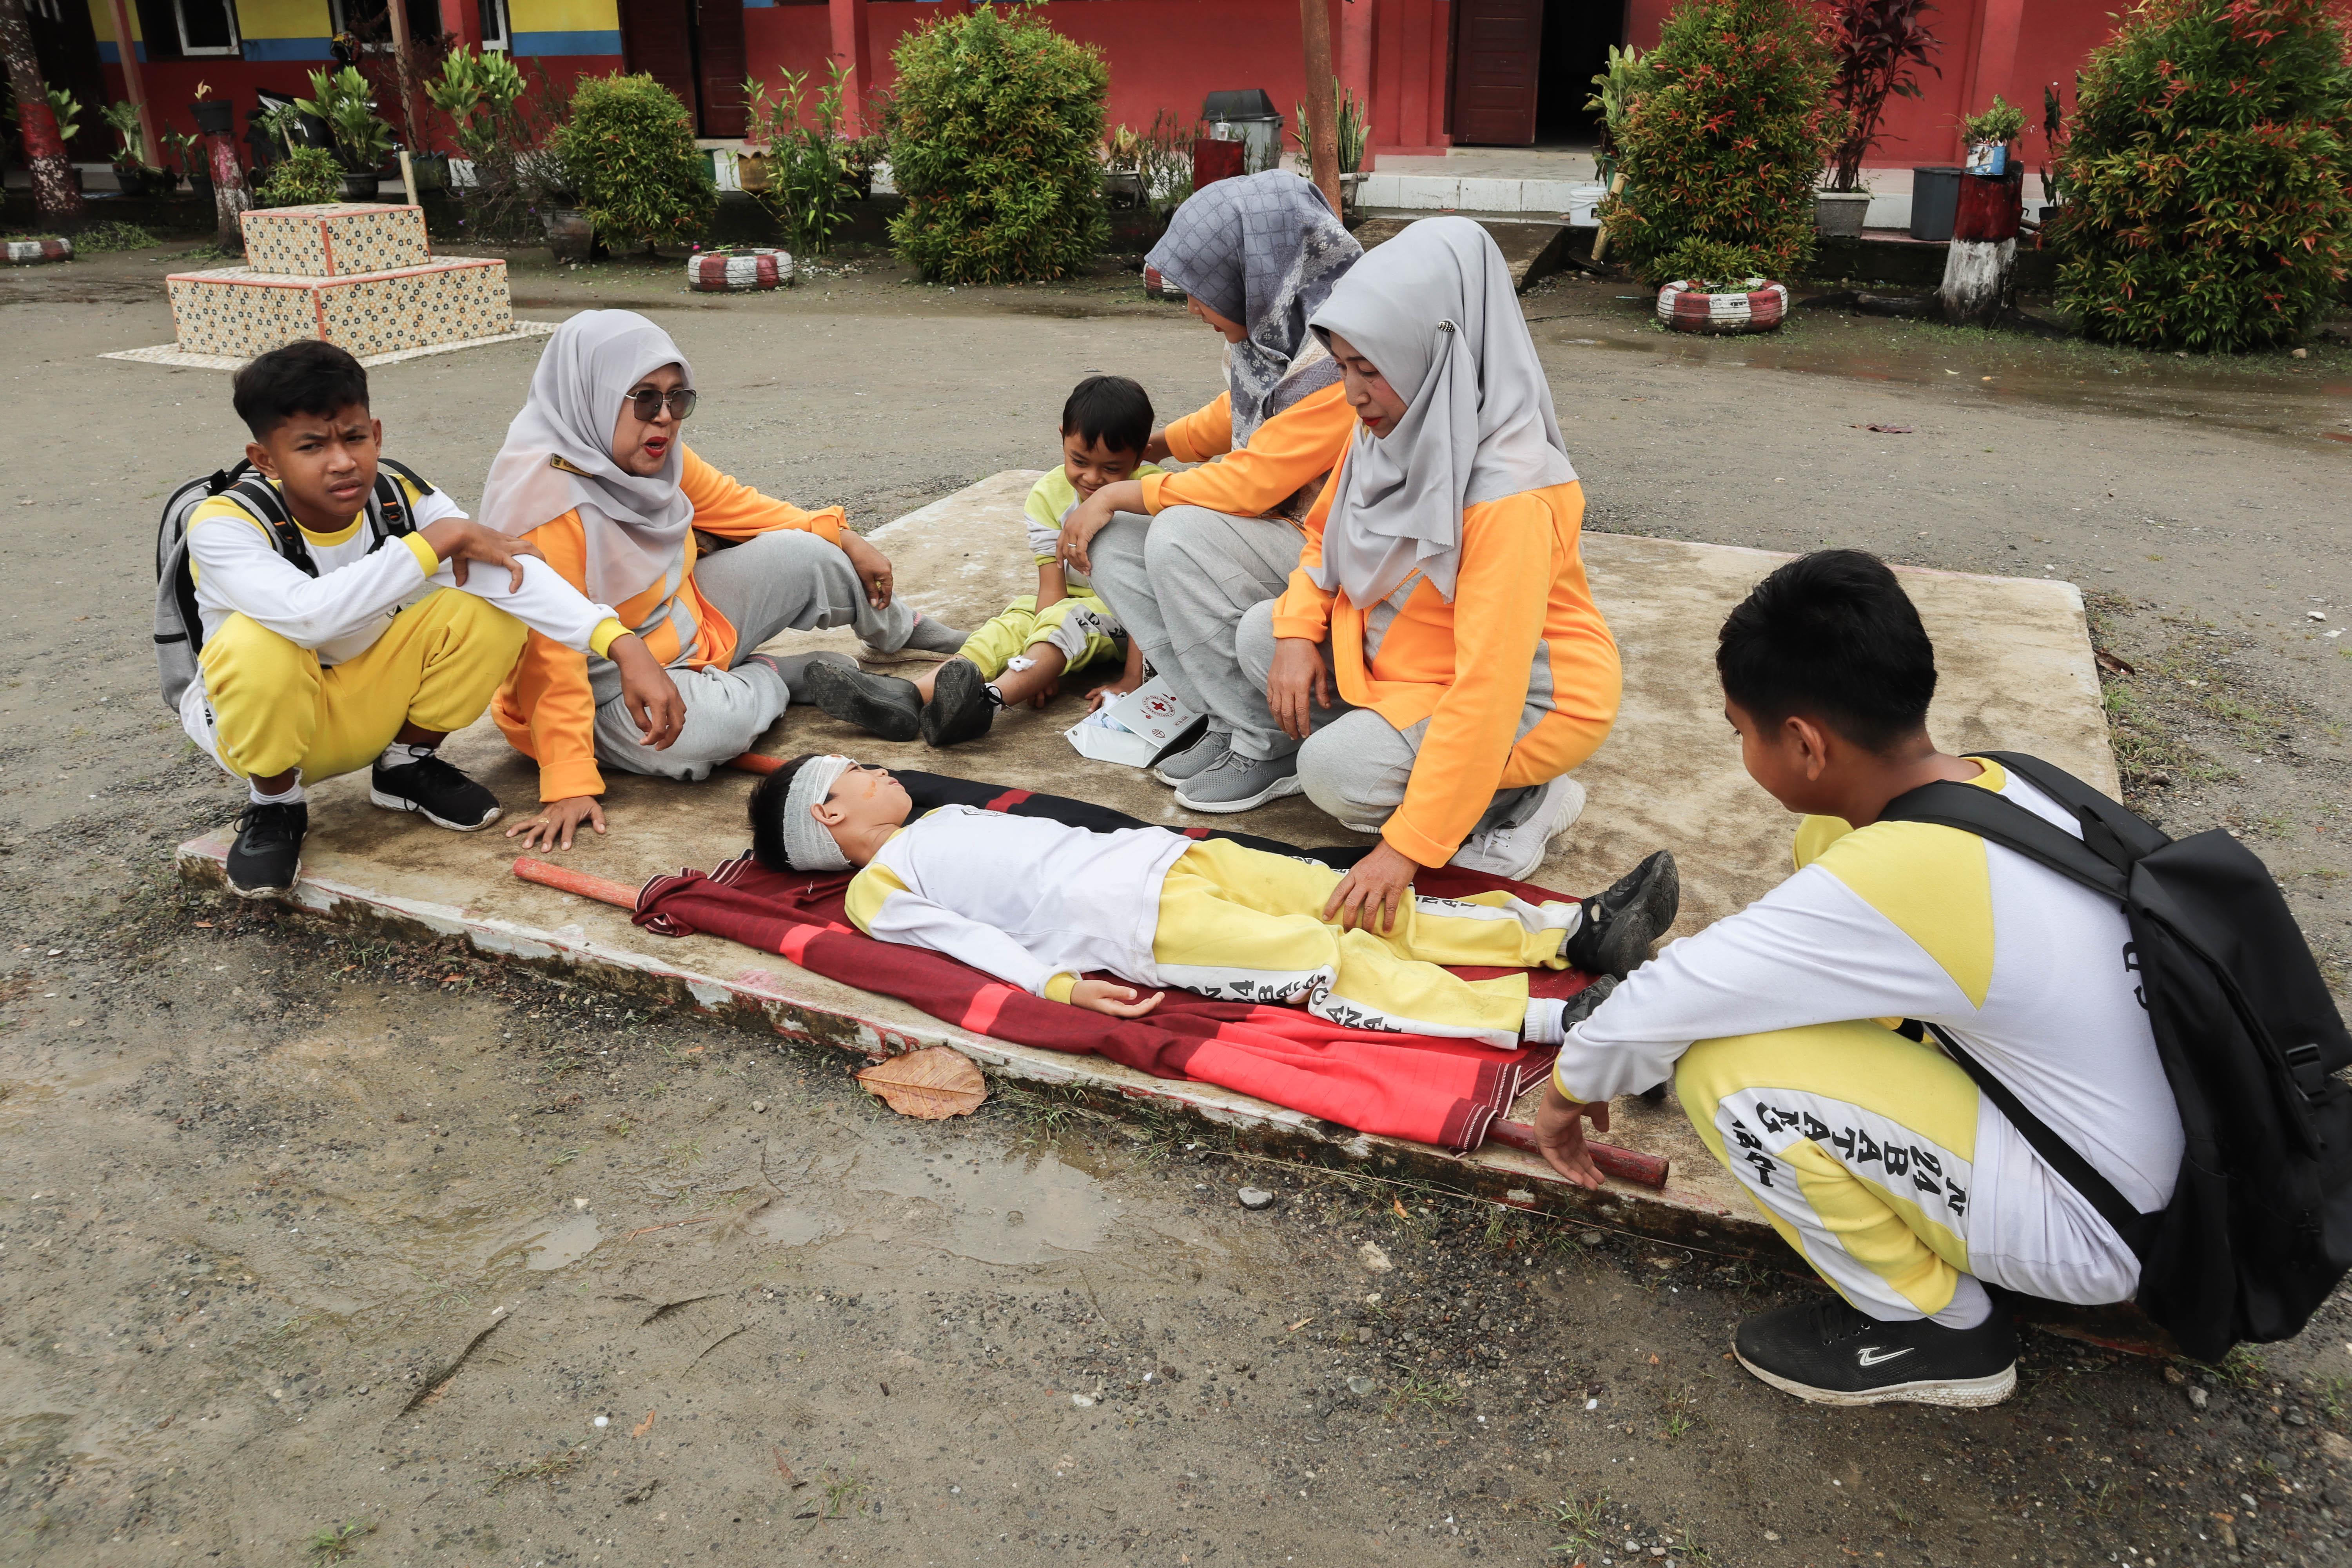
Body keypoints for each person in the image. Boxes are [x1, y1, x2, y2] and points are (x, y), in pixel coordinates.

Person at [1531, 550, 2182, 1409]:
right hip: (2155, 1154)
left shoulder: (1900, 876)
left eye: (1740, 728)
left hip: (2106, 1226)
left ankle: (1937, 1329)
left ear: (1803, 741)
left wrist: (1567, 1091)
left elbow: (1679, 991)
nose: (1740, 745)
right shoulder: (2006, 782)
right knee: (1826, 842)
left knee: (1727, 1074)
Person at [179, 340, 683, 898]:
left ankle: (404, 766)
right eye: (311, 446)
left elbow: (510, 573)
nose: (343, 461)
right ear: (266, 460)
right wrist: (438, 541)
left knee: (490, 609)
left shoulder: (397, 498)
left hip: (366, 708)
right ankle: (276, 806)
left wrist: (620, 643)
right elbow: (309, 617)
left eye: (354, 437)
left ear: (377, 432)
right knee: (257, 641)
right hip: (265, 731)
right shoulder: (225, 525)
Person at [1239, 217, 1622, 935]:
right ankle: (1424, 770)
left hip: (1533, 697)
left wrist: (1406, 849)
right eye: (1344, 366)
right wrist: (1296, 634)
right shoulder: (1395, 426)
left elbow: (1490, 688)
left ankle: (1524, 801)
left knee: (1337, 776)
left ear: (1436, 350)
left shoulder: (1510, 495)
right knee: (1265, 634)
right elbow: (1323, 539)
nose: (1351, 393)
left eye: (1369, 368)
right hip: (1424, 665)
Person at [747, 754, 1681, 1044]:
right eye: (862, 773)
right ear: (829, 813)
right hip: (1141, 925)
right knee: (1330, 961)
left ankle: (1576, 935)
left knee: (1349, 897)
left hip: (1172, 861)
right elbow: (961, 950)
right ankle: (1555, 1023)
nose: (883, 773)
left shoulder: (938, 818)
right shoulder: (879, 888)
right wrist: (1060, 989)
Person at [477, 311, 964, 852]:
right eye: (644, 399)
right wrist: (567, 783)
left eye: (677, 398)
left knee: (806, 551)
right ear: (590, 395)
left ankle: (906, 630)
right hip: (601, 687)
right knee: (704, 736)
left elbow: (740, 507)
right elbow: (551, 657)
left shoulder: (655, 458)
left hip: (684, 624)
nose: (664, 418)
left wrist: (843, 536)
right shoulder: (540, 505)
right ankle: (779, 676)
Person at [1056, 170, 1364, 808]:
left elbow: (1253, 481)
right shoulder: (1280, 337)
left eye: (1206, 290)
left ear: (1259, 273)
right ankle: (1219, 714)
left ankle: (1262, 740)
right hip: (1280, 537)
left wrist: (1119, 492)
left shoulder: (1346, 360)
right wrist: (1160, 447)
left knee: (1178, 530)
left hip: (1331, 561)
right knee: (1110, 539)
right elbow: (1243, 410)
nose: (1193, 306)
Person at [795, 375, 1164, 748]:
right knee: (1009, 624)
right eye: (1079, 461)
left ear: (1141, 455)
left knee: (1060, 620)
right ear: (1062, 437)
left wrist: (1134, 677)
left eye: (1112, 469)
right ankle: (907, 696)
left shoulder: (1149, 496)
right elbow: (1051, 589)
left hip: (1133, 620)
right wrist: (1043, 662)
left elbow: (1149, 599)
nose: (1092, 478)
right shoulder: (1047, 495)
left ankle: (988, 705)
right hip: (1071, 607)